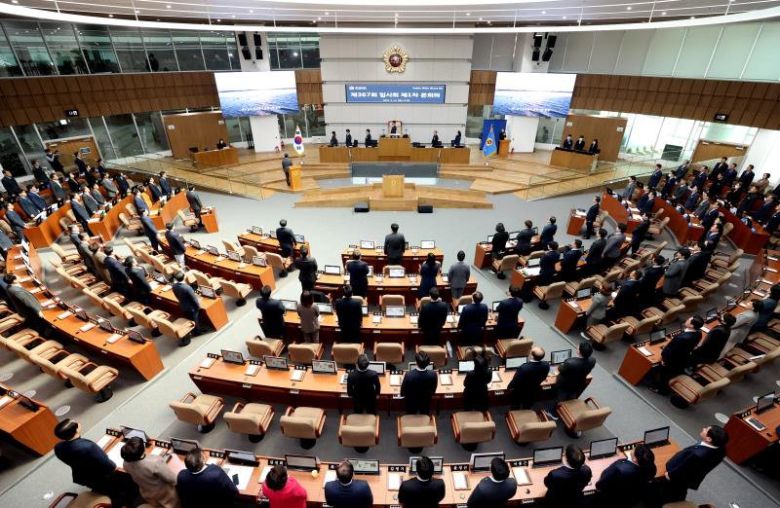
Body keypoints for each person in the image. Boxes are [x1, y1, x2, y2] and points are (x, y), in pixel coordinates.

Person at [53, 419, 124, 503]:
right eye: (77, 423)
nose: (79, 422)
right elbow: (109, 465)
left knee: (100, 488)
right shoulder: (88, 447)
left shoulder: (58, 447)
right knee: (116, 487)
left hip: (82, 476)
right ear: (76, 430)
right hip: (102, 476)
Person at [663, 426, 728, 503]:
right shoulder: (721, 450)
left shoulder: (697, 455)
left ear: (709, 439)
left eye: (706, 430)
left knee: (670, 491)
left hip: (678, 477)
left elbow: (683, 468)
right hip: (694, 475)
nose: (703, 428)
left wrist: (670, 475)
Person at [120, 436, 178, 508]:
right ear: (143, 449)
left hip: (147, 495)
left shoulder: (126, 464)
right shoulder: (155, 462)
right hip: (166, 498)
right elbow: (174, 480)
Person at [596, 444, 656, 508]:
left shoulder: (618, 467)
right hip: (635, 499)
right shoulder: (651, 468)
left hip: (615, 501)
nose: (633, 448)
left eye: (634, 449)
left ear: (635, 459)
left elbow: (599, 485)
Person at [654, 315, 703, 393]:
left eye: (689, 320)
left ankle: (661, 390)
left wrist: (664, 359)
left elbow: (672, 351)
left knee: (664, 375)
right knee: (669, 373)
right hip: (683, 358)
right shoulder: (698, 333)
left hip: (672, 361)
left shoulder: (683, 338)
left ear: (692, 325)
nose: (686, 320)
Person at [172, 271, 201, 341]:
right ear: (184, 277)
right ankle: (197, 332)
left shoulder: (174, 286)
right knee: (195, 319)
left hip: (183, 305)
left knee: (189, 317)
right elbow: (194, 299)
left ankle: (193, 329)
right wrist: (198, 307)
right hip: (191, 307)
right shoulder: (187, 287)